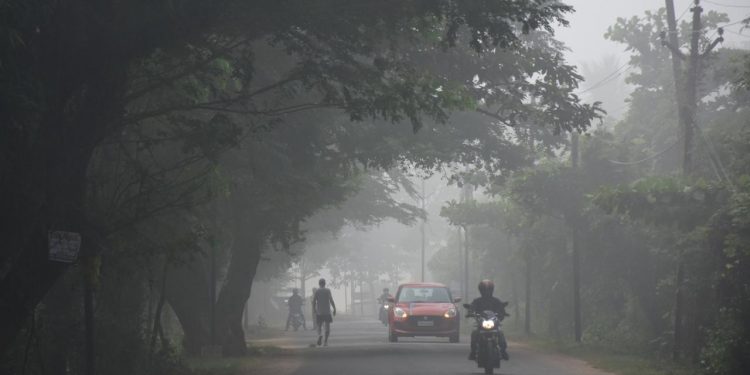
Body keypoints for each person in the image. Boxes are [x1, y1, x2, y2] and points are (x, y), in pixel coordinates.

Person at [468, 279, 510, 361]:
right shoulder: (477, 301)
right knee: (474, 333)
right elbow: (472, 308)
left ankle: (503, 351)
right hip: (481, 323)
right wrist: (471, 312)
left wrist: (503, 313)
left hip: (493, 323)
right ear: (481, 290)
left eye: (488, 290)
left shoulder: (496, 301)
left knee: (500, 333)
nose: (486, 292)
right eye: (484, 290)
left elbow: (501, 309)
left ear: (492, 290)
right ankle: (473, 352)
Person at [312, 278, 336, 346]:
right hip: (327, 312)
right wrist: (334, 308)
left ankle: (320, 335)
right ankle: (325, 342)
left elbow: (314, 301)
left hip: (319, 312)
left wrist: (314, 309)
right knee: (327, 327)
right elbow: (331, 300)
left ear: (319, 284)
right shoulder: (328, 290)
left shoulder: (317, 291)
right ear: (324, 283)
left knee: (319, 326)